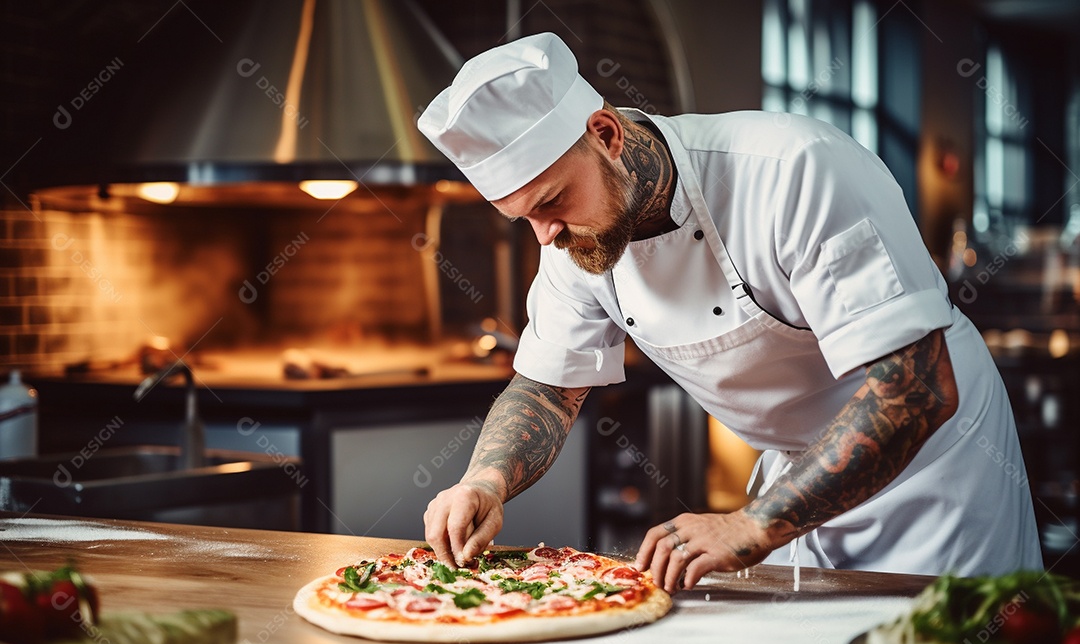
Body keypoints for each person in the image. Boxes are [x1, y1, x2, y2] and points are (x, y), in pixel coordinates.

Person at [417, 32, 1042, 592]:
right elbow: (548, 390)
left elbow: (918, 388)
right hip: (802, 482)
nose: (545, 235)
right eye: (523, 216)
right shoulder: (573, 240)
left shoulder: (794, 170)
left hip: (934, 474)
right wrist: (484, 481)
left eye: (551, 201)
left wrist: (753, 524)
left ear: (605, 135)